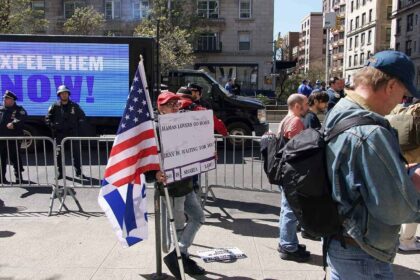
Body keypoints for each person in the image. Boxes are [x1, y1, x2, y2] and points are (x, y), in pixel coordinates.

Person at [324, 50, 420, 279]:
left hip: (341, 240)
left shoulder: (340, 110)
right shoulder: (370, 133)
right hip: (364, 250)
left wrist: (396, 171)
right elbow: (393, 209)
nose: (401, 101)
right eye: (403, 93)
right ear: (391, 86)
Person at [146, 91, 206, 279]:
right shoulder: (154, 129)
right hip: (170, 188)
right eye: (169, 104)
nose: (174, 106)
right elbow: (146, 158)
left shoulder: (186, 123)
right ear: (160, 107)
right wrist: (154, 174)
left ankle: (178, 254)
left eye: (176, 103)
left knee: (198, 217)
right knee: (178, 226)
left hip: (187, 183)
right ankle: (181, 258)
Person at [276, 93, 311, 262]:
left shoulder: (286, 119)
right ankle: (288, 246)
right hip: (291, 173)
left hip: (284, 172)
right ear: (297, 106)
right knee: (290, 211)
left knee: (286, 209)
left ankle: (287, 242)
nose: (308, 107)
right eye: (305, 104)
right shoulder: (296, 122)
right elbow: (297, 149)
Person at [45, 85, 86, 179]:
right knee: (59, 155)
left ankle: (79, 173)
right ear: (59, 95)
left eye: (66, 93)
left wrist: (77, 126)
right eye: (62, 93)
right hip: (59, 134)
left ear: (68, 94)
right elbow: (47, 118)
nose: (64, 95)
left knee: (76, 153)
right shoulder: (54, 106)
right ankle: (60, 173)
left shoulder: (74, 106)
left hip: (72, 134)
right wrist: (53, 126)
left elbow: (82, 117)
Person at [0, 90, 26, 184]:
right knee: (1, 159)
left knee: (15, 158)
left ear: (12, 100)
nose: (4, 100)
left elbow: (22, 118)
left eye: (6, 98)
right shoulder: (1, 109)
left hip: (13, 139)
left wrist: (14, 124)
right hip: (1, 139)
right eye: (4, 98)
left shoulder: (19, 109)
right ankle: (2, 178)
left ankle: (19, 178)